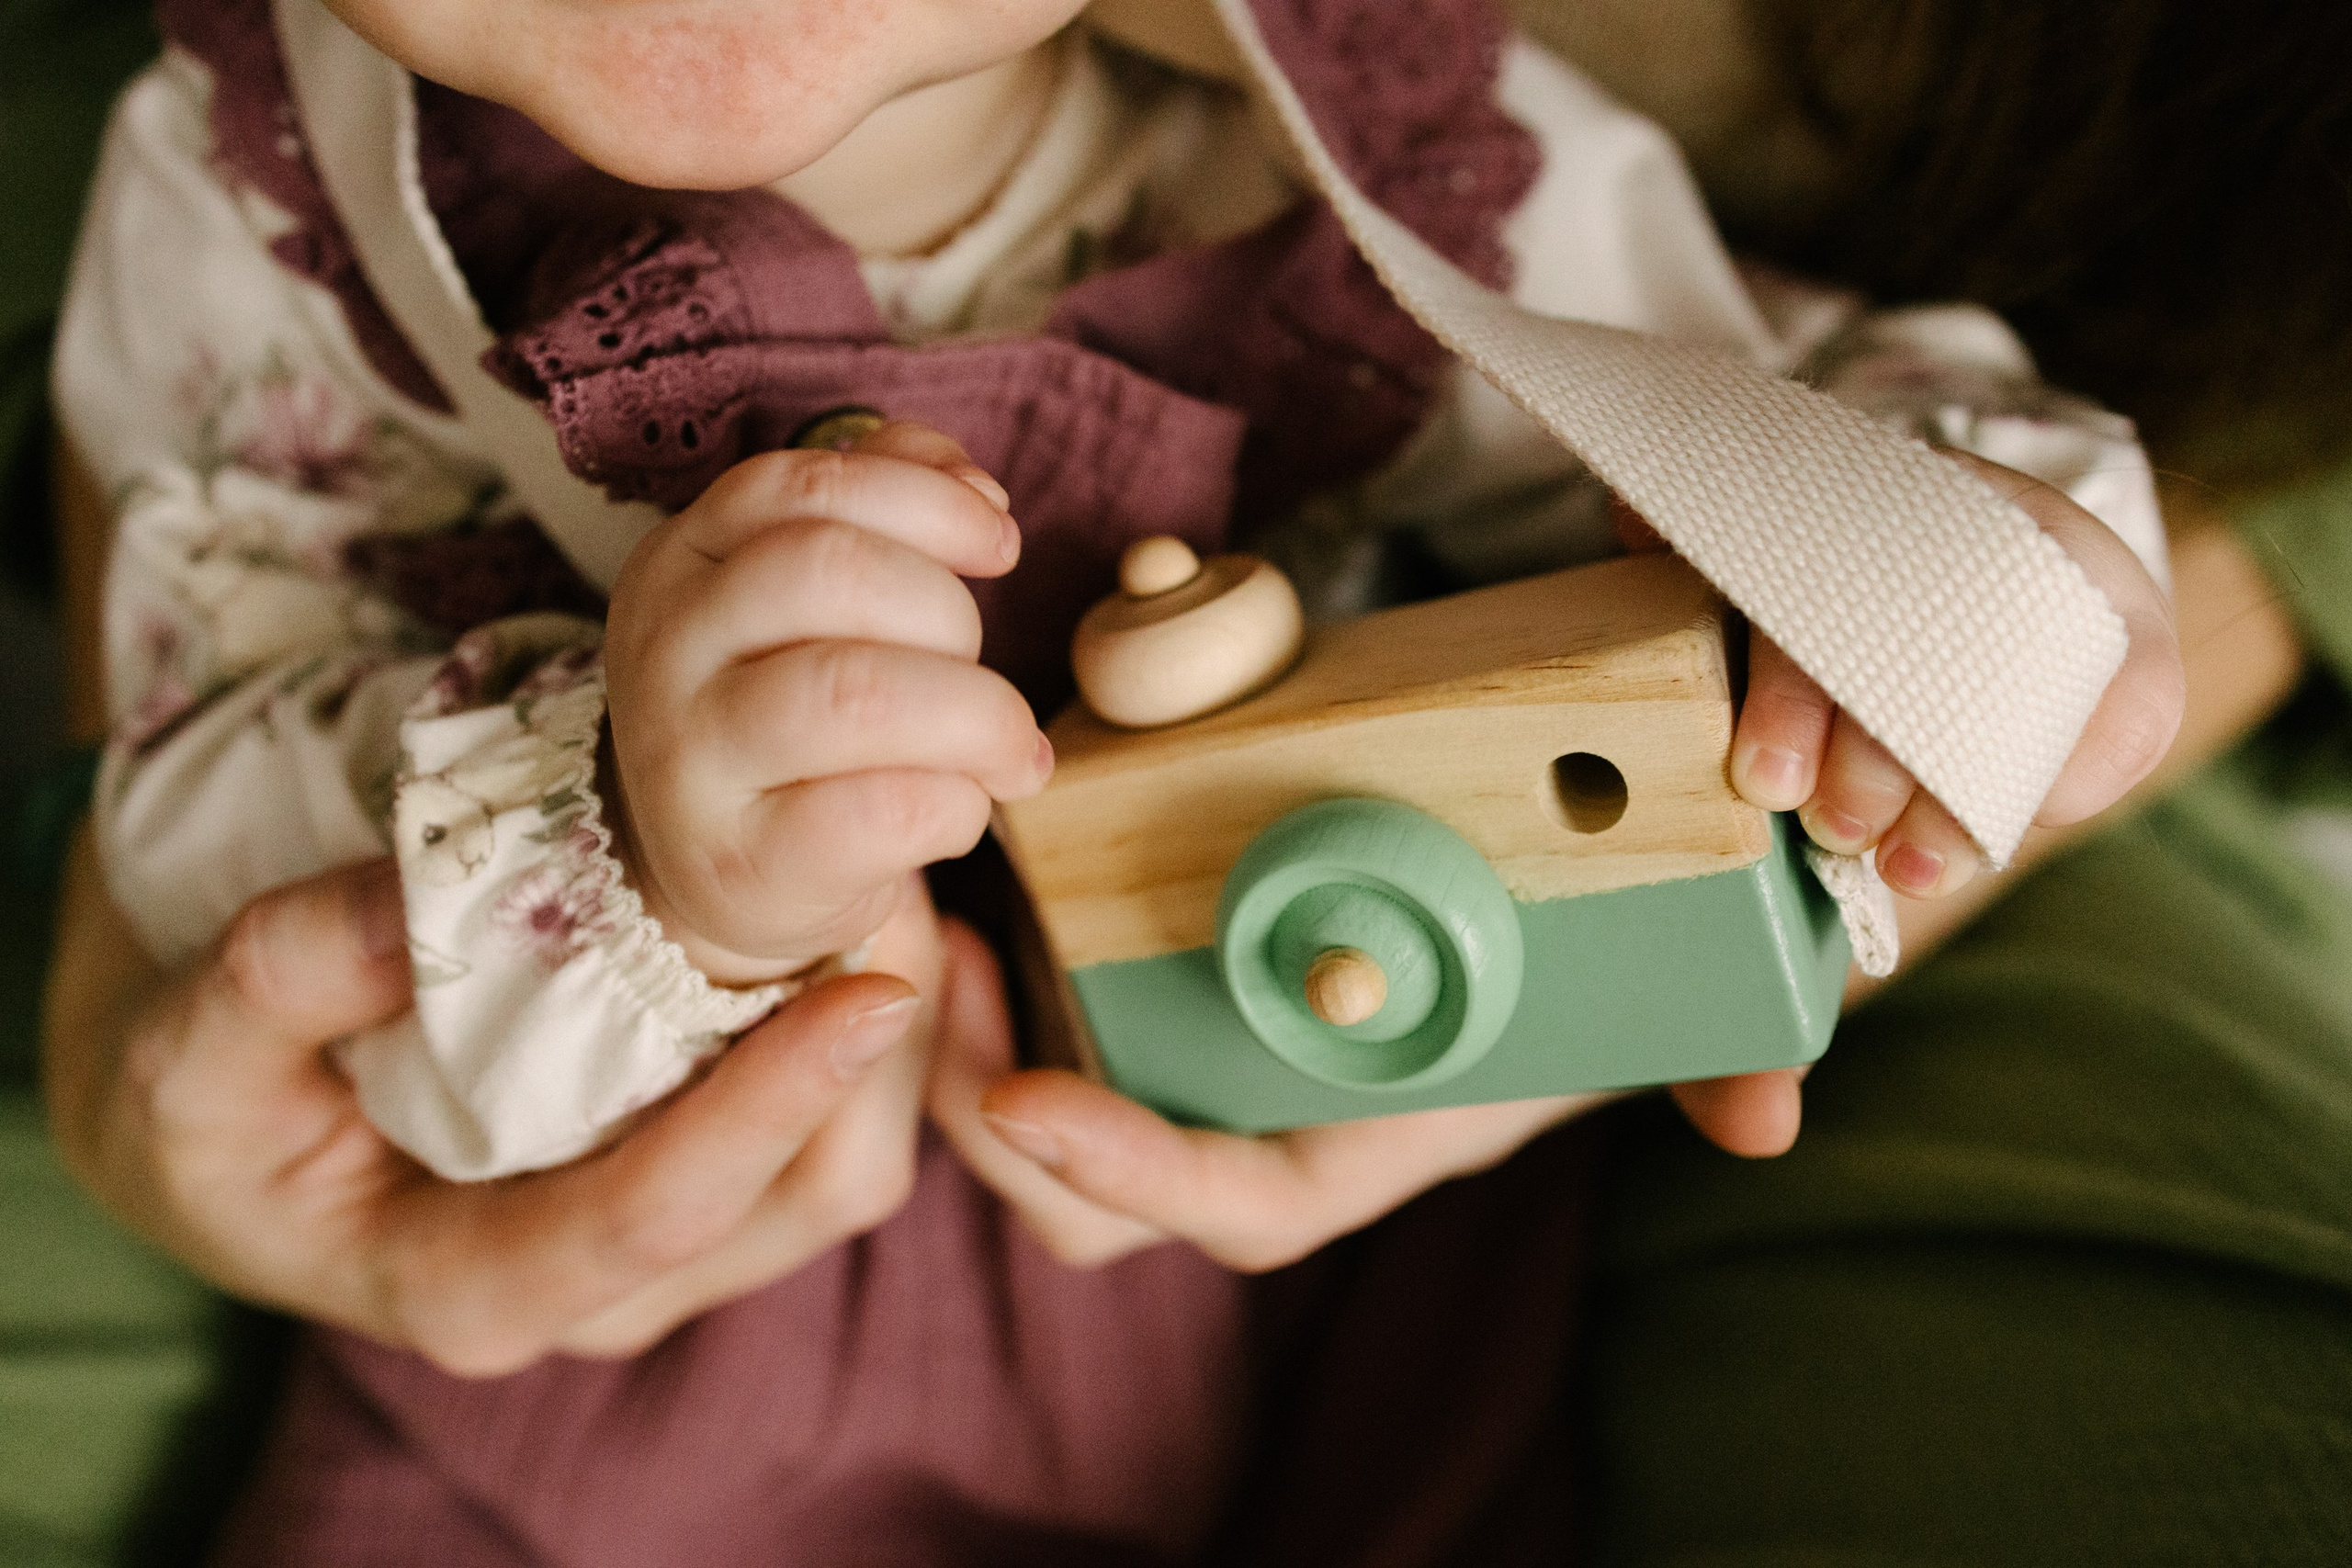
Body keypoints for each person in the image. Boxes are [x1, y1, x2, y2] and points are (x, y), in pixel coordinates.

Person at [42, 0, 2194, 1560]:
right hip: (636, 1359)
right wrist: (616, 831)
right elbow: (198, 849)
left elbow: (1775, 414)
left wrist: (1933, 585)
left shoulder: (1371, 134)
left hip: (1338, 1241)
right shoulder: (267, 201)